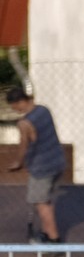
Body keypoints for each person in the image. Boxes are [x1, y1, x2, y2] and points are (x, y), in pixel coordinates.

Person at [7, 85, 64, 244]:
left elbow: (24, 145)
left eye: (13, 107)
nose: (14, 110)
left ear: (18, 102)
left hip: (41, 168)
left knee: (41, 203)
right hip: (57, 162)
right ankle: (46, 232)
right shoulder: (44, 110)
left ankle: (53, 239)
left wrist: (18, 162)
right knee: (46, 200)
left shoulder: (24, 123)